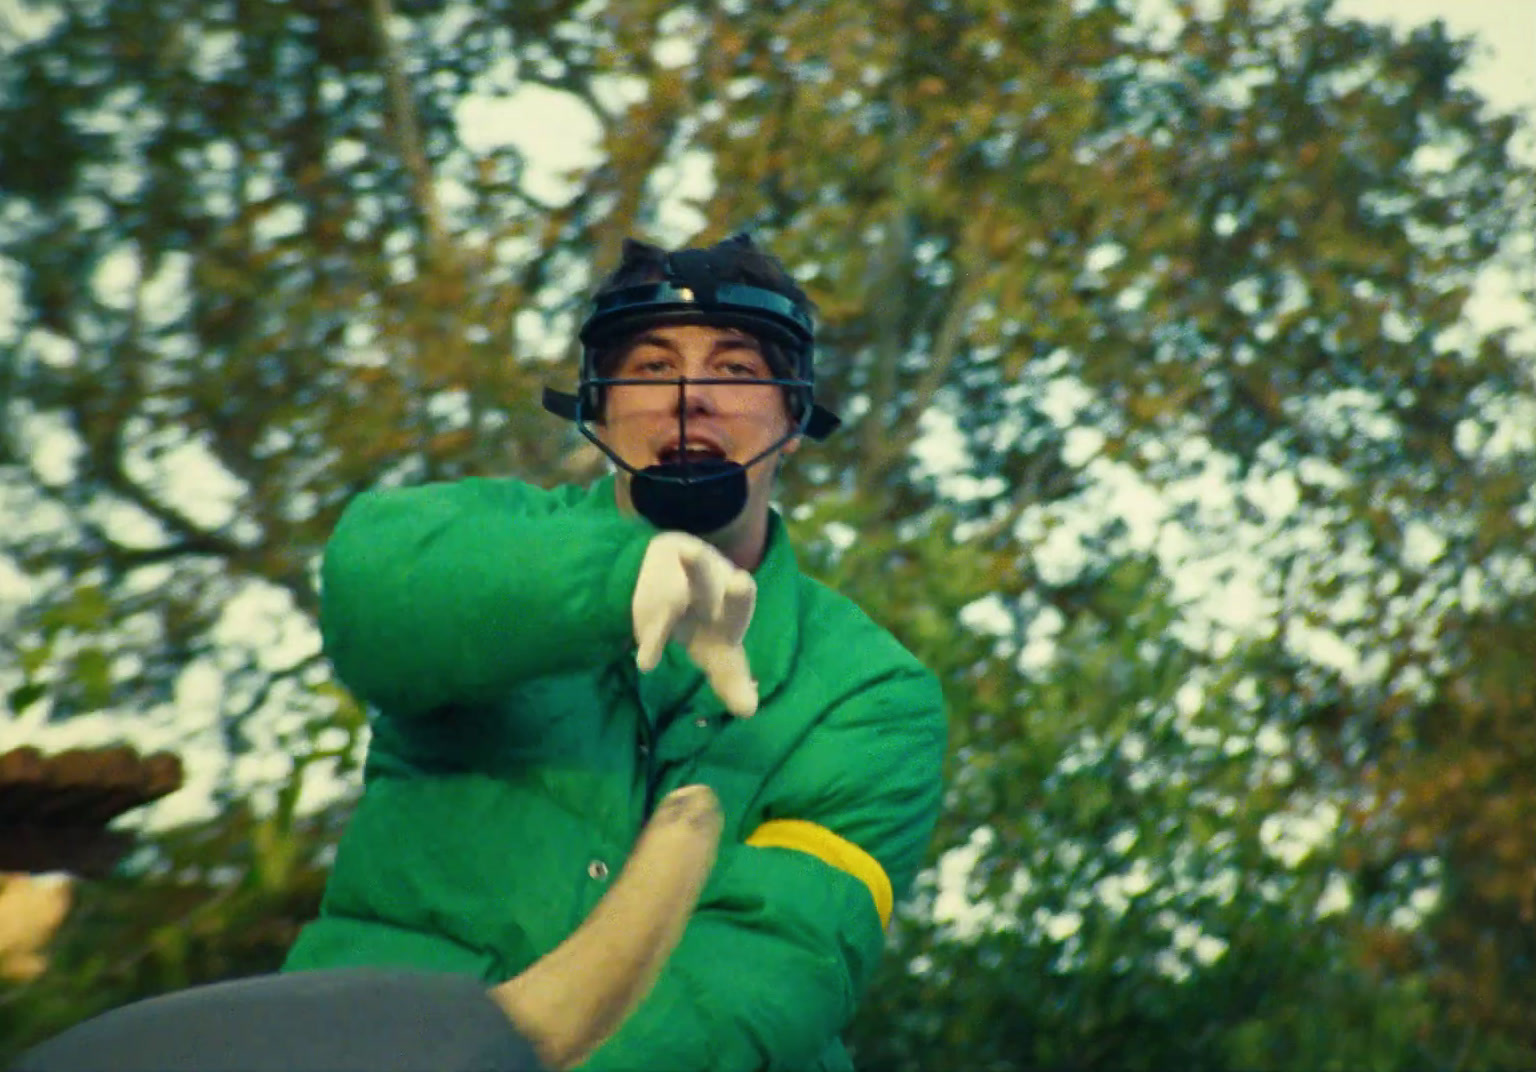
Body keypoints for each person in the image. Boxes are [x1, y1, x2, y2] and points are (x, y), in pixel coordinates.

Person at [281, 233, 949, 1071]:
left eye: (737, 371)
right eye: (650, 366)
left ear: (794, 420)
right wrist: (613, 581)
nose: (690, 397)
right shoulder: (487, 546)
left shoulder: (871, 692)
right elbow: (369, 594)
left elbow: (774, 962)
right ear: (597, 408)